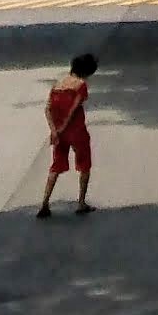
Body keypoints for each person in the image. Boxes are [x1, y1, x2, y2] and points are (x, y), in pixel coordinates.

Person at [37, 49, 98, 217]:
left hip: (58, 133)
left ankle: (44, 203)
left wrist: (54, 131)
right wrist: (63, 127)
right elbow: (73, 109)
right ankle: (81, 203)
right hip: (76, 131)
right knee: (84, 164)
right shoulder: (80, 85)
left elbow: (47, 109)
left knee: (56, 166)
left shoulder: (57, 85)